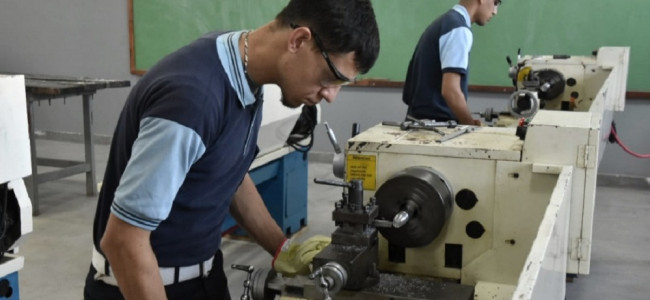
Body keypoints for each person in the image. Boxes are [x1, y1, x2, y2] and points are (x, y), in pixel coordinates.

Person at [83, 0, 379, 299]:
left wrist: (282, 249)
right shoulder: (192, 100)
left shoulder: (244, 70)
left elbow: (229, 175)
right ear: (299, 40)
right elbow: (124, 241)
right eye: (331, 79)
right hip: (143, 285)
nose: (331, 96)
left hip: (205, 278)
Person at [402, 0, 501, 125]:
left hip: (418, 122)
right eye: (496, 3)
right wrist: (470, 125)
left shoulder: (444, 22)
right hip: (435, 130)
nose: (495, 12)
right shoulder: (459, 30)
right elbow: (451, 91)